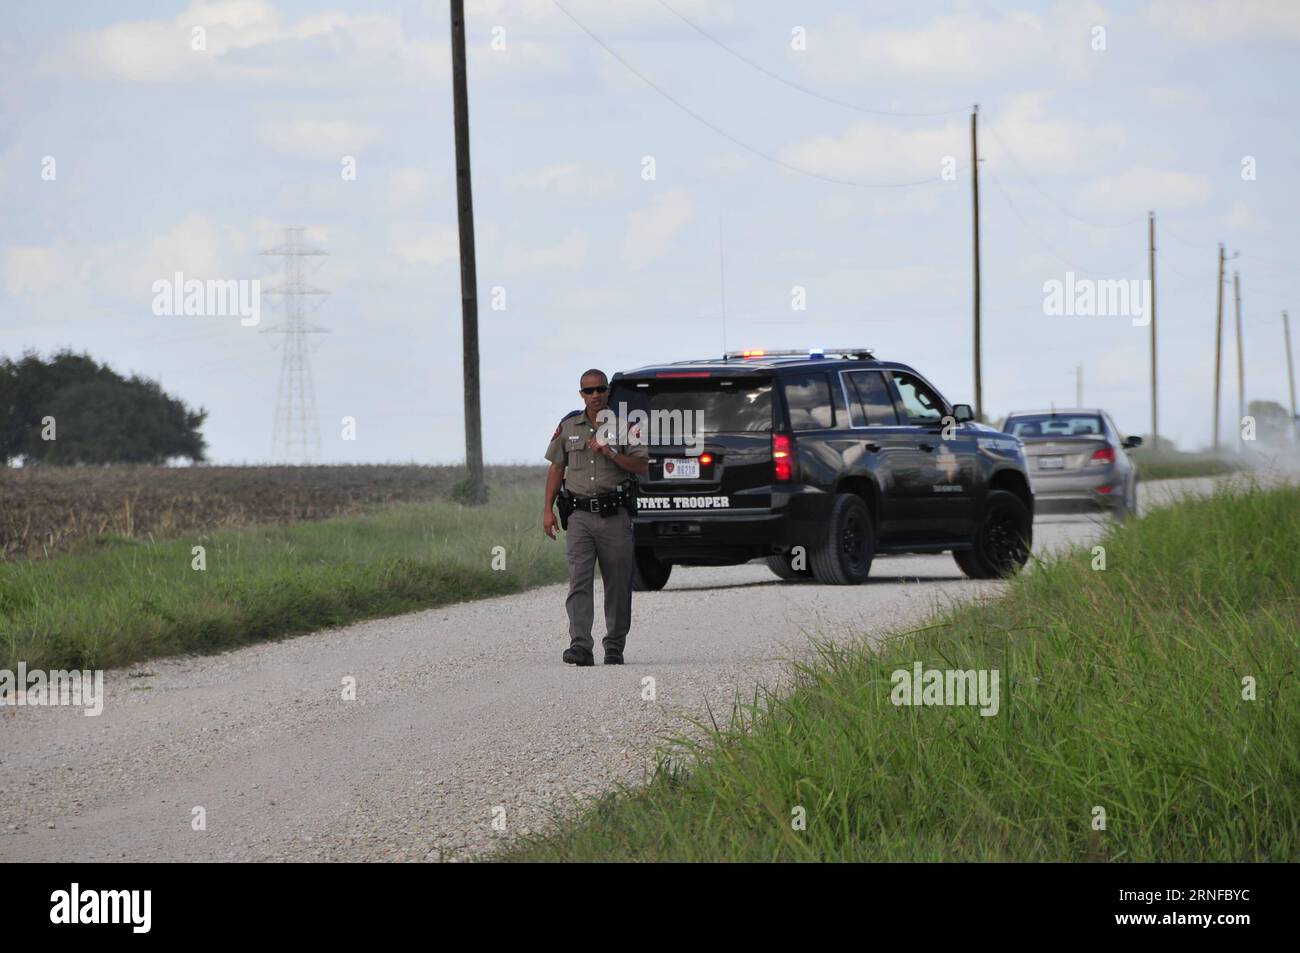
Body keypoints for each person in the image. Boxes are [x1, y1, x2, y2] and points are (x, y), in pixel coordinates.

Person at [543, 369, 649, 666]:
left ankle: (614, 645)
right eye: (589, 390)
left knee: (617, 583)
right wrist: (547, 510)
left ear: (608, 392)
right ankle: (580, 645)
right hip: (578, 515)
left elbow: (641, 465)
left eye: (600, 389)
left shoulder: (625, 426)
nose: (595, 395)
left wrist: (612, 453)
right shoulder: (568, 426)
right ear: (581, 394)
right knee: (579, 580)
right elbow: (556, 468)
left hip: (614, 515)